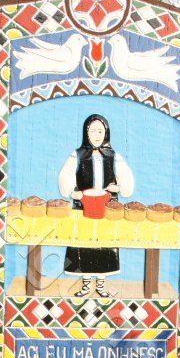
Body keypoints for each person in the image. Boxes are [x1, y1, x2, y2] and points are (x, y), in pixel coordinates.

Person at [58, 114, 134, 297]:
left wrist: (120, 187)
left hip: (107, 207)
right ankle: (85, 286)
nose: (97, 135)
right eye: (93, 131)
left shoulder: (114, 156)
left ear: (106, 133)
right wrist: (71, 191)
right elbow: (65, 175)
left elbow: (126, 178)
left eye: (100, 131)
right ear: (86, 133)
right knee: (83, 245)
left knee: (105, 245)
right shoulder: (77, 155)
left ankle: (100, 286)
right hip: (83, 205)